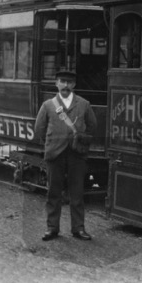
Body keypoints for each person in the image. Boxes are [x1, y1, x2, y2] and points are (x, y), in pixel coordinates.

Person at [34, 70, 97, 241]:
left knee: (77, 193)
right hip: (55, 154)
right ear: (56, 83)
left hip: (77, 154)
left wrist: (81, 140)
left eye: (69, 82)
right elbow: (39, 129)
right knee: (53, 193)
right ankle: (52, 228)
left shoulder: (84, 104)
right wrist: (51, 143)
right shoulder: (48, 105)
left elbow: (92, 126)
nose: (66, 85)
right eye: (62, 81)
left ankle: (78, 229)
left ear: (74, 85)